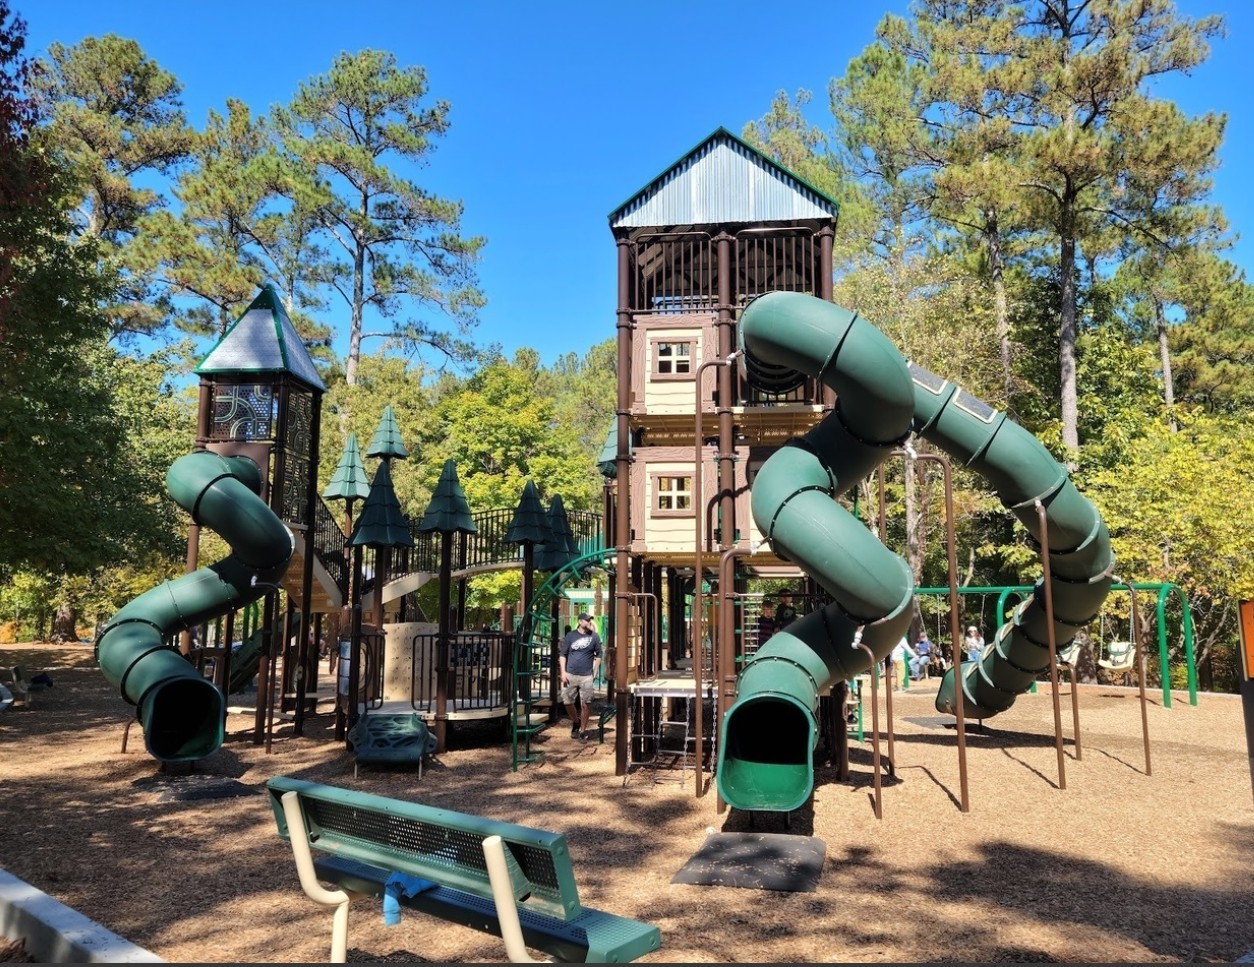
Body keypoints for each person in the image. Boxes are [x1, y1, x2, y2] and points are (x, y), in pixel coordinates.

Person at [559, 612, 603, 741]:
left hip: (586, 676)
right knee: (567, 701)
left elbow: (599, 655)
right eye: (586, 620)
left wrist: (594, 672)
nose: (588, 622)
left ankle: (582, 730)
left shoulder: (594, 637)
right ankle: (576, 721)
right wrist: (563, 672)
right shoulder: (570, 636)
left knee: (586, 703)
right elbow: (563, 654)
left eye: (589, 620)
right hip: (570, 673)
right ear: (579, 621)